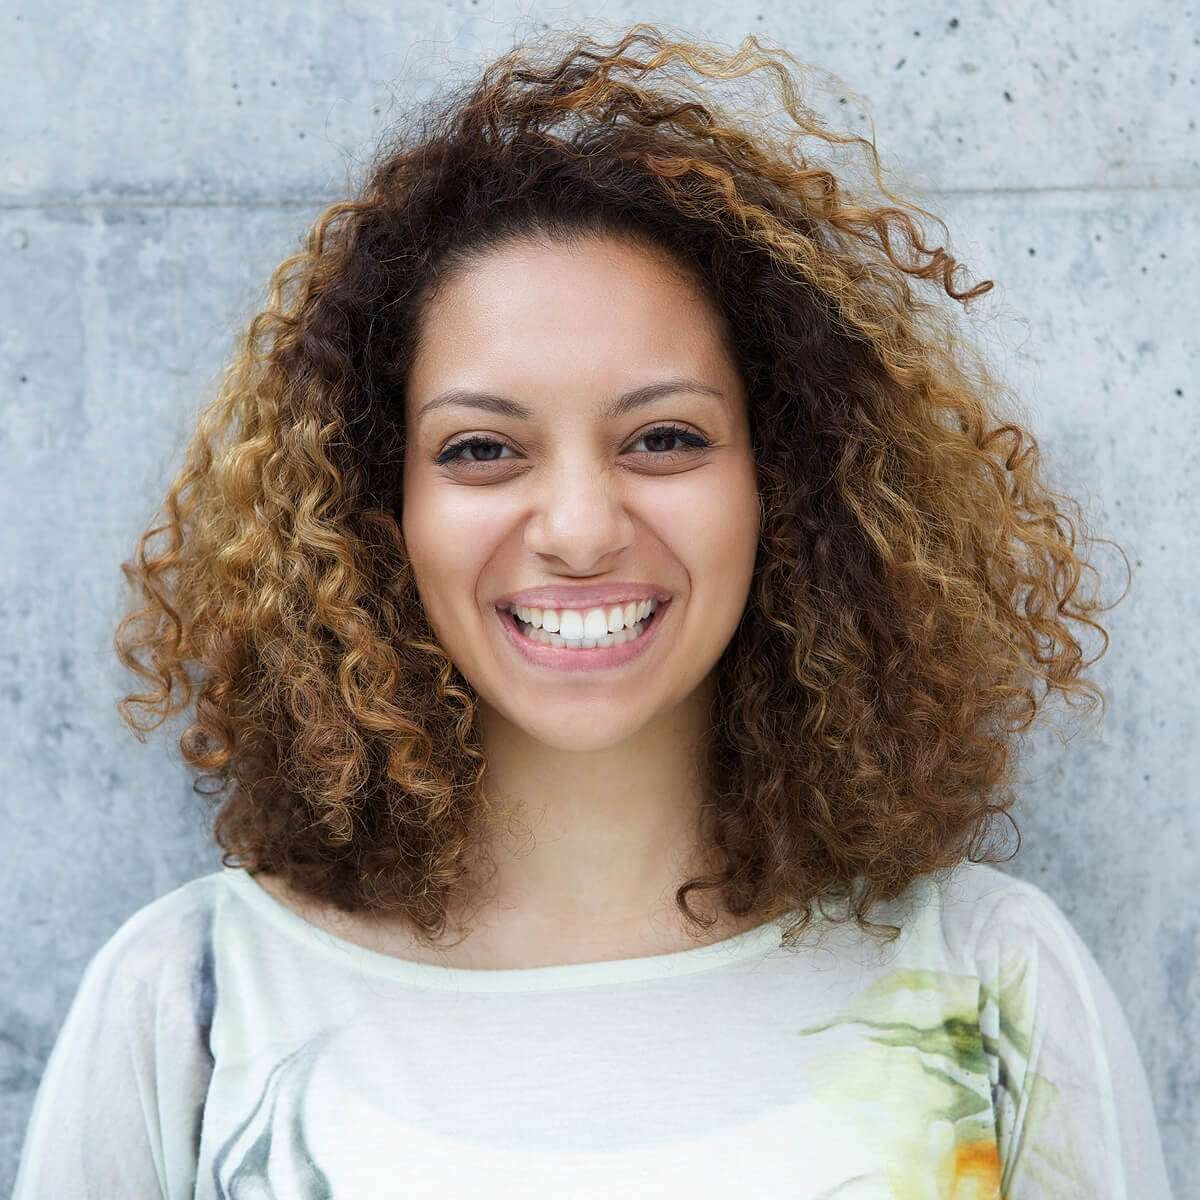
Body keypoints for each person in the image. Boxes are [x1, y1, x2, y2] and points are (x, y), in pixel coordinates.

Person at [13, 21, 1174, 1199]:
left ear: (786, 482)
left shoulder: (991, 985)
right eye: (481, 448)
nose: (578, 529)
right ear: (377, 503)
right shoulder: (194, 1003)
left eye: (663, 438)